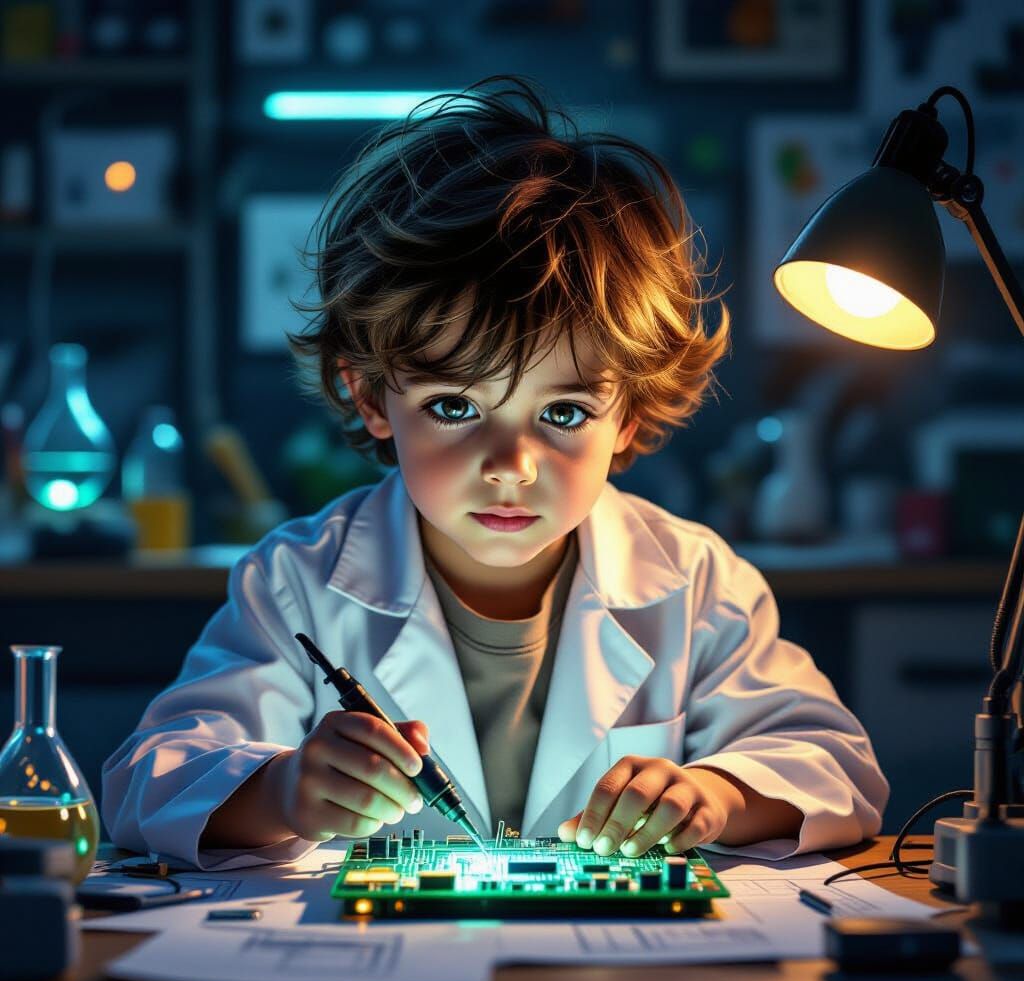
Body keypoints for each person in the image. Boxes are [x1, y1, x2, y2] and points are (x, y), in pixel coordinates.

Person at [102, 76, 888, 870]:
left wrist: (716, 794)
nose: (511, 467)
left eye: (564, 413)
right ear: (370, 393)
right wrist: (281, 791)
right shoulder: (294, 583)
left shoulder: (697, 582)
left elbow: (833, 764)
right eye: (454, 407)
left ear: (632, 415)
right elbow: (147, 781)